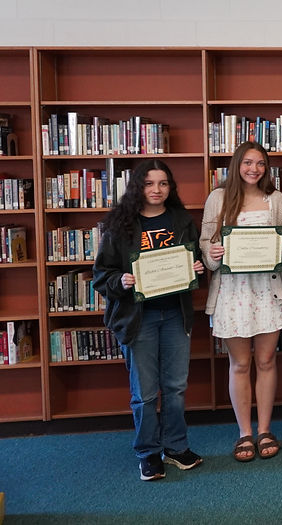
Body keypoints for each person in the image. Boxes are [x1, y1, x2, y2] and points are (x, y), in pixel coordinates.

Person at [93, 159, 206, 481]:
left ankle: (175, 447)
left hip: (174, 315)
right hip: (138, 318)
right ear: (138, 187)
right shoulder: (120, 225)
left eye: (163, 184)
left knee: (176, 388)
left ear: (170, 188)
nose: (156, 190)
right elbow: (102, 277)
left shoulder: (182, 220)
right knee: (144, 393)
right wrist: (122, 282)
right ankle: (148, 453)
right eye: (149, 184)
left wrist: (197, 268)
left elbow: (193, 259)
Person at [200, 141, 282, 461]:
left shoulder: (275, 199)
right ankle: (245, 433)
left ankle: (265, 429)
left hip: (268, 290)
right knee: (239, 364)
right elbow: (206, 245)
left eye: (261, 164)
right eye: (248, 163)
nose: (254, 169)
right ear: (237, 164)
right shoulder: (218, 198)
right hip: (232, 293)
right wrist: (211, 255)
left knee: (266, 361)